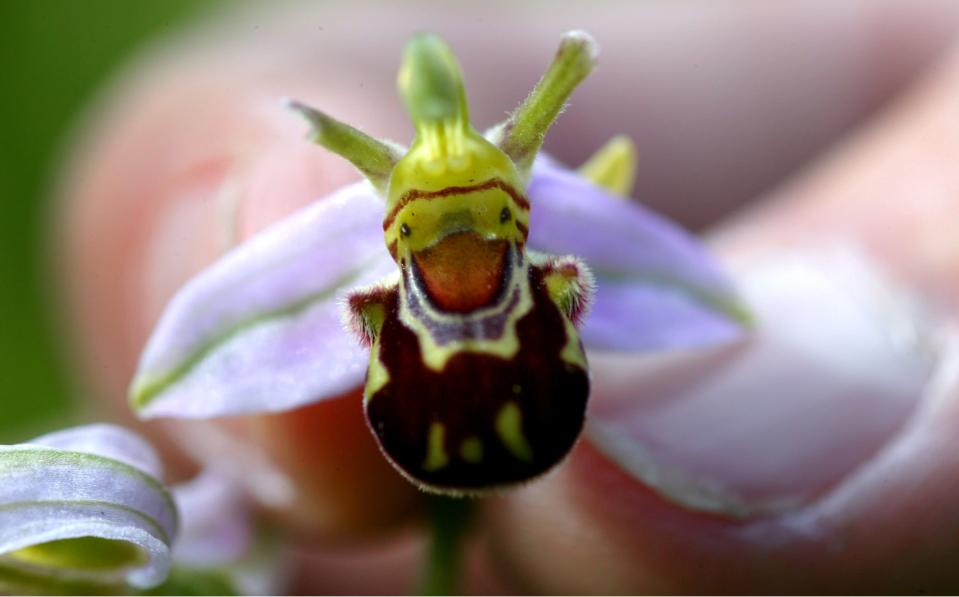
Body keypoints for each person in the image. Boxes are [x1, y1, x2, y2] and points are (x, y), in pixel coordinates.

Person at [56, 1, 959, 592]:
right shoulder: (341, 246)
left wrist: (754, 321)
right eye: (427, 227)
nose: (462, 246)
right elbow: (215, 345)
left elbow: (693, 293)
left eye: (487, 224)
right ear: (392, 226)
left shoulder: (557, 226)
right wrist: (183, 372)